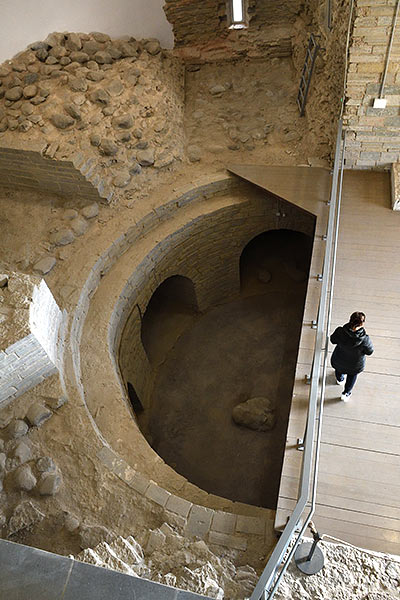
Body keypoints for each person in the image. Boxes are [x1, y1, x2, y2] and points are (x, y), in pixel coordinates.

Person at [330, 311, 374, 402]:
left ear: (350, 320)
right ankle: (346, 393)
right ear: (362, 323)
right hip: (355, 365)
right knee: (352, 376)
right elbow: (369, 351)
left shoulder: (340, 331)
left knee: (339, 369)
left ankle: (340, 379)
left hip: (339, 359)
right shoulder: (365, 339)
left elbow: (332, 340)